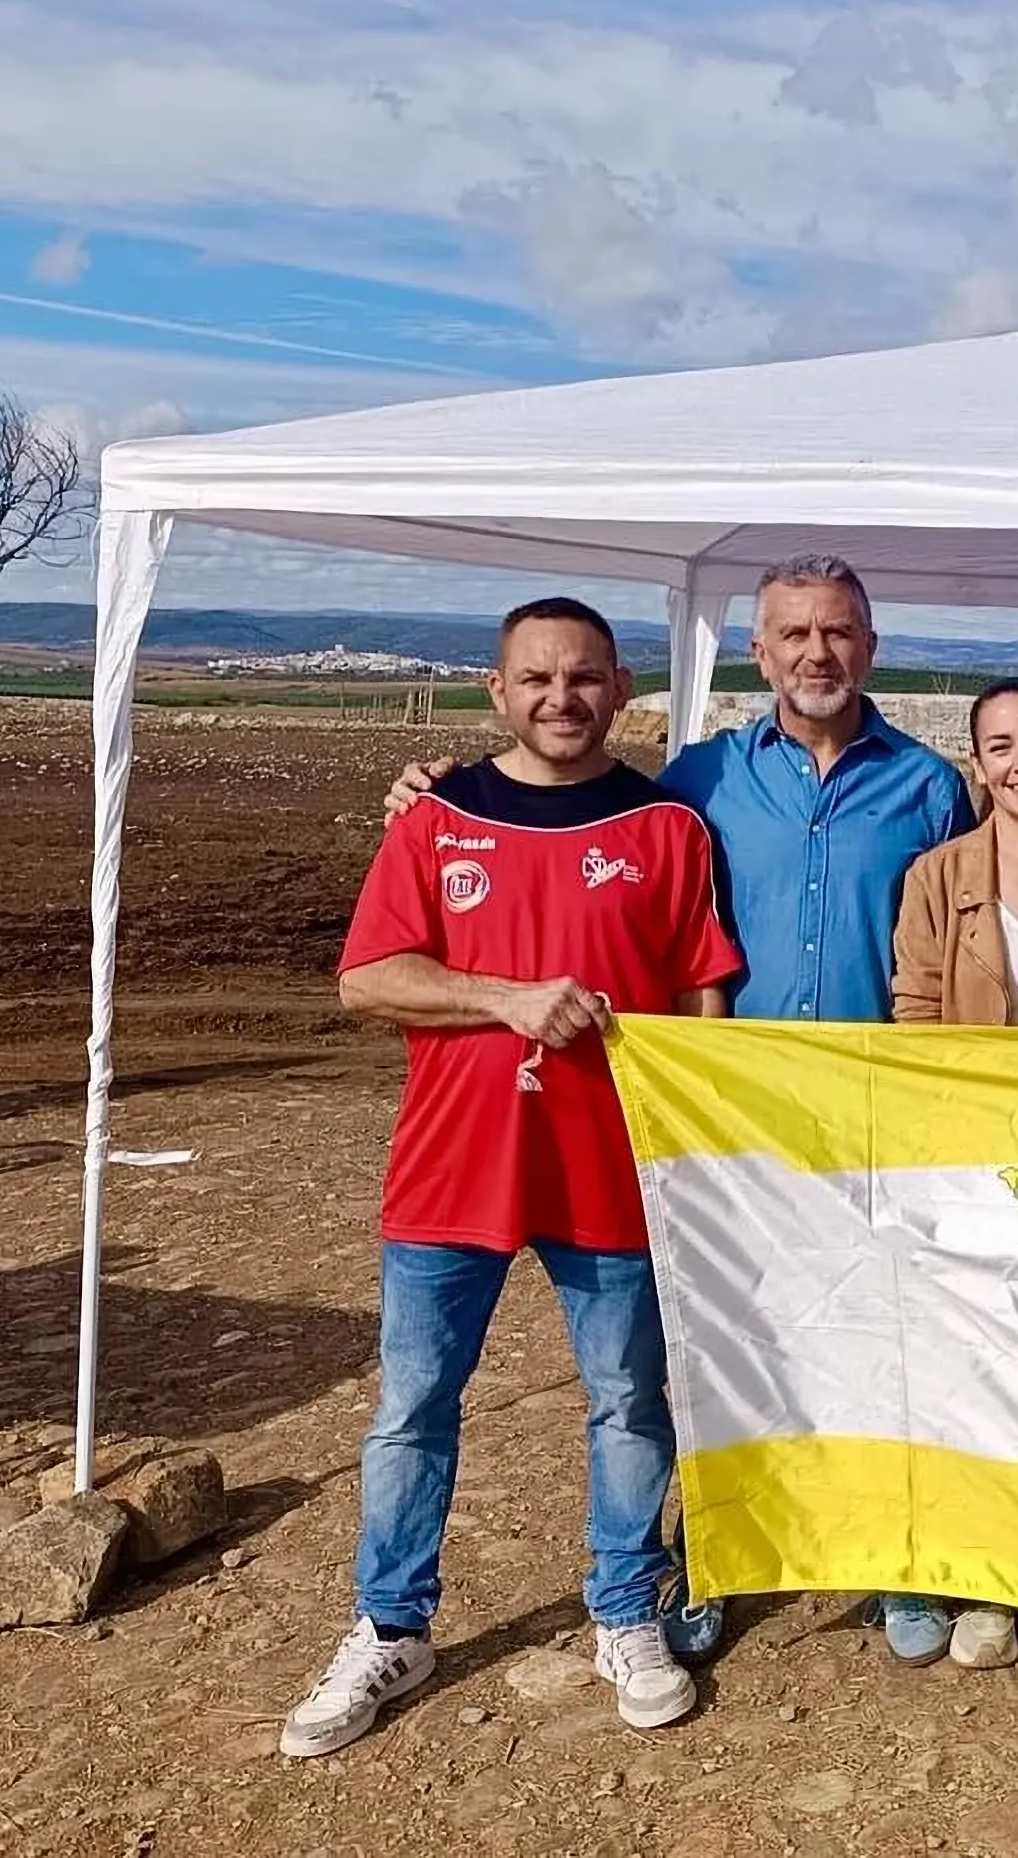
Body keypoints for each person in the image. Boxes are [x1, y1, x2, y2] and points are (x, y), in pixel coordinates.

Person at [386, 556, 978, 1669]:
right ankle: (710, 1555)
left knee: (885, 1337)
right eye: (794, 632)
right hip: (730, 1119)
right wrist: (432, 786)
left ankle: (900, 1557)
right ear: (761, 651)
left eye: (839, 632)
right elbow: (570, 815)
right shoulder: (693, 782)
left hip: (872, 1113)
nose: (817, 653)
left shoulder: (932, 785)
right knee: (723, 1352)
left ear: (871, 645)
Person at [281, 598, 741, 1760]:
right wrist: (505, 992)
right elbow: (368, 978)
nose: (560, 697)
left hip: (614, 1174)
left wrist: (688, 1132)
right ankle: (392, 1624)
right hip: (452, 1171)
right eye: (535, 676)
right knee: (414, 1407)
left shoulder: (666, 826)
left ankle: (626, 1607)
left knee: (630, 1402)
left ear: (621, 687)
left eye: (584, 677)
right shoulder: (435, 819)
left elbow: (703, 988)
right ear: (496, 688)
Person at [888, 677, 1018, 1667]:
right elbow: (916, 1014)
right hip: (978, 1161)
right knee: (984, 1365)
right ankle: (987, 1571)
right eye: (1002, 745)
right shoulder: (936, 876)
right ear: (977, 762)